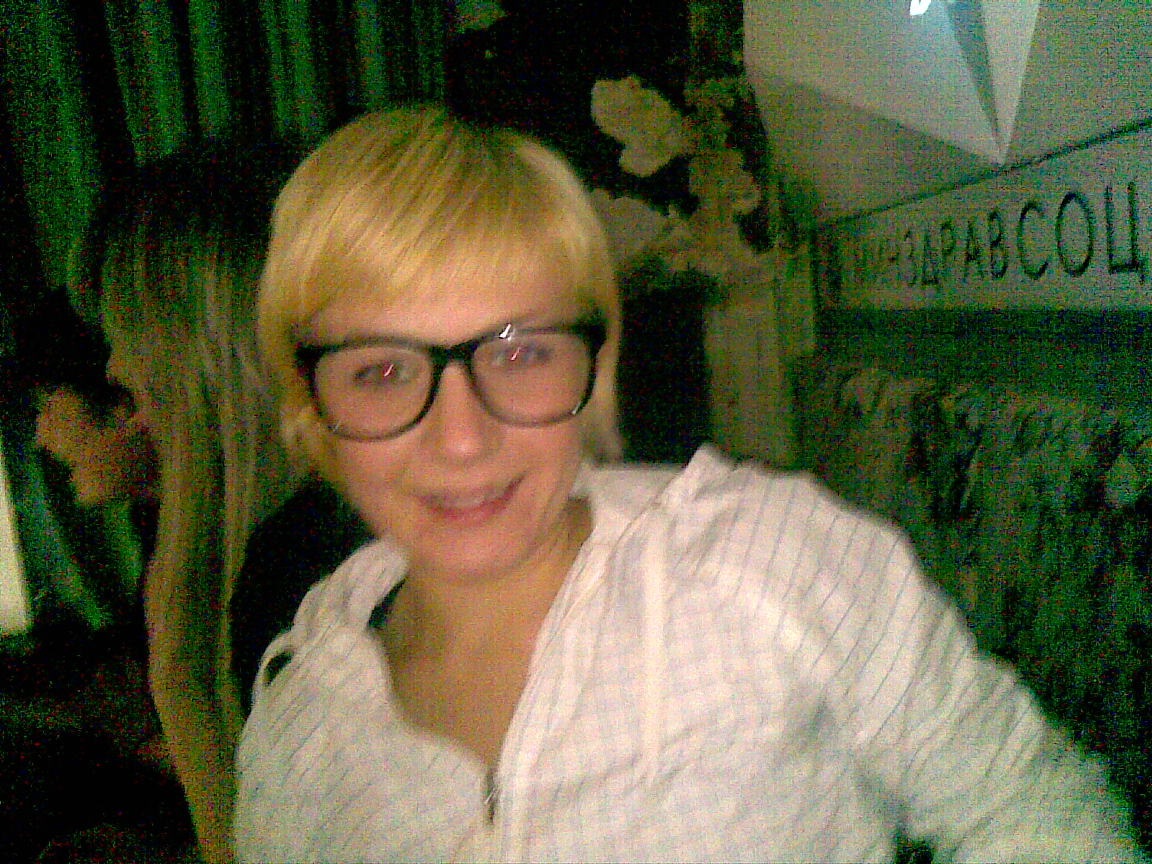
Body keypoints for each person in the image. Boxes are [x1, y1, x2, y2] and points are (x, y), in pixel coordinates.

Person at [234, 105, 1146, 862]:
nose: (463, 438)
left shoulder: (774, 557)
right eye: (382, 371)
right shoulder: (297, 737)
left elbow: (1025, 806)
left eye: (520, 353)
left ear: (596, 369)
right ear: (311, 407)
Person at [73, 144, 305, 863]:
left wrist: (180, 686)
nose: (115, 366)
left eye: (127, 336)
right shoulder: (263, 545)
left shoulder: (307, 588)